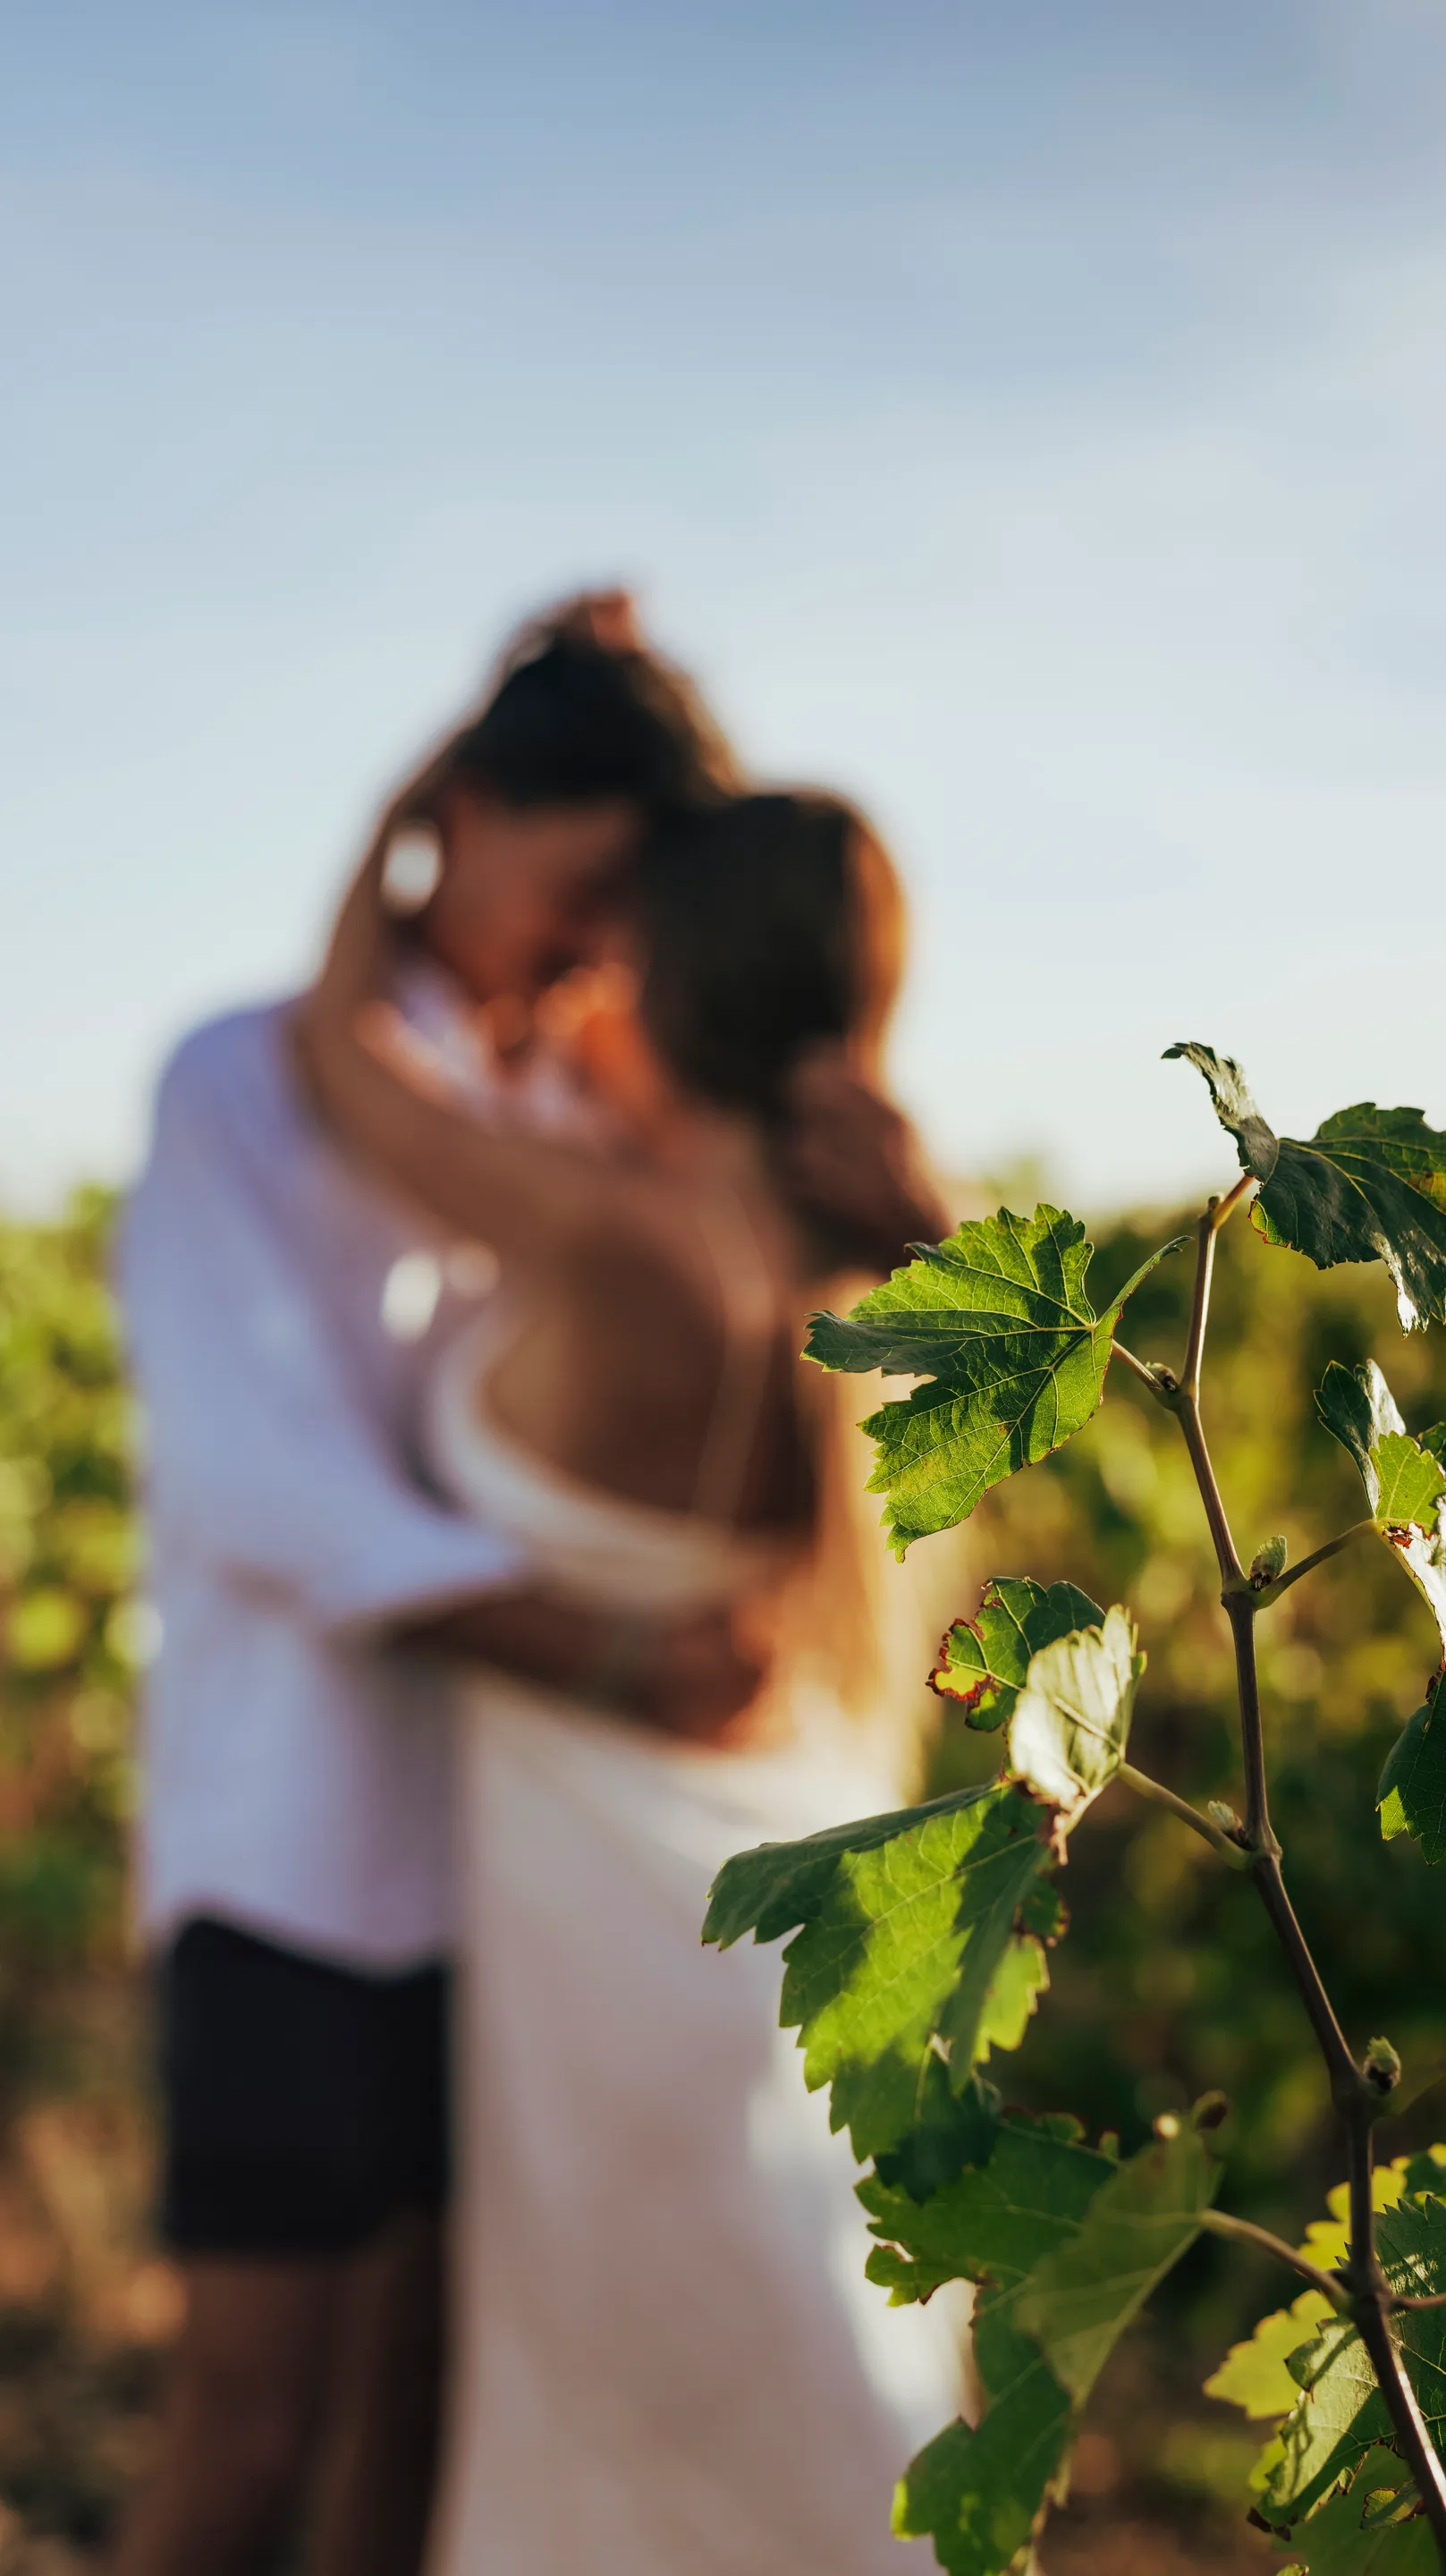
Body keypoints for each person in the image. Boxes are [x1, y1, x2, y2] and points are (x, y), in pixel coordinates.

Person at [113, 597, 936, 2576]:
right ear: (462, 819)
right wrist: (605, 1644)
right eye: (577, 897)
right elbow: (255, 1481)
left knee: (425, 2436)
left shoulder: (595, 1123)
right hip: (301, 1858)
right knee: (247, 2434)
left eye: (626, 922)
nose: (593, 961)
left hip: (527, 1898)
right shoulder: (240, 1088)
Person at [293, 788, 966, 2576]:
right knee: (775, 2375)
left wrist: (422, 802)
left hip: (600, 1942)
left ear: (661, 977)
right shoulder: (857, 1274)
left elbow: (335, 1051)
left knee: (633, 2405)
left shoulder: (620, 1233)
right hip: (772, 1883)